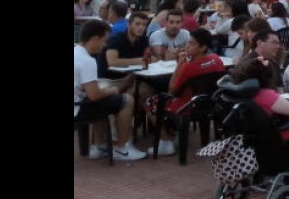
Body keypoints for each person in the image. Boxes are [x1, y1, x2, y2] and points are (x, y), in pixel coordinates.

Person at [75, 19, 149, 161]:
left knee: (101, 101)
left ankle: (99, 146)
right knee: (127, 100)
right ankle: (121, 148)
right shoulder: (87, 61)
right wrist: (113, 90)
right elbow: (94, 95)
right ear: (95, 39)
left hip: (78, 102)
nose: (104, 46)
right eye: (104, 41)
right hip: (78, 108)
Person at [150, 28, 226, 157]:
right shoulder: (216, 59)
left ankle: (165, 141)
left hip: (187, 106)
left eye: (191, 43)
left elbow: (172, 89)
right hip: (210, 104)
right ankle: (177, 132)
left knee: (150, 102)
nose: (187, 46)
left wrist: (179, 64)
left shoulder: (188, 67)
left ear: (202, 47)